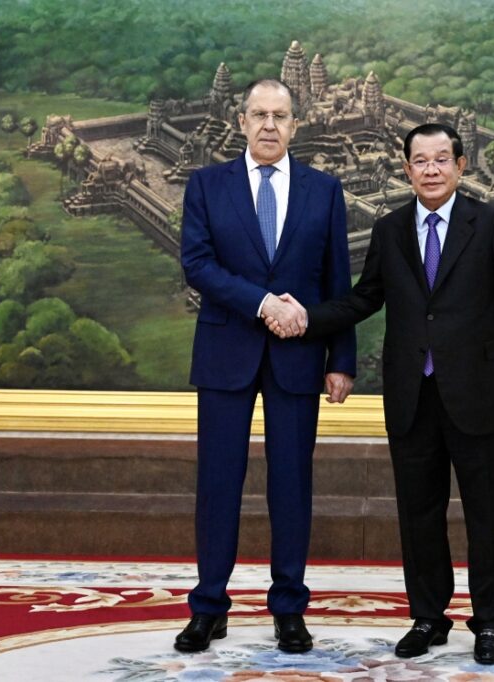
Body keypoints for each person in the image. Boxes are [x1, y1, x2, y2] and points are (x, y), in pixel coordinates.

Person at [266, 123, 494, 664]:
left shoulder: (488, 224)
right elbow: (364, 298)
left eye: (442, 159)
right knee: (419, 512)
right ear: (406, 168)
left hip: (480, 391)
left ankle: (489, 623)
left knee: (487, 512)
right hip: (412, 394)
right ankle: (428, 616)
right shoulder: (391, 229)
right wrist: (305, 319)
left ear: (462, 166)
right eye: (421, 161)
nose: (432, 170)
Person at [176, 78, 356, 655]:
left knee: (291, 486)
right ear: (241, 120)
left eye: (280, 115)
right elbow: (198, 265)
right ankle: (208, 608)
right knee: (219, 485)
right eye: (259, 114)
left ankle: (288, 609)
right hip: (227, 353)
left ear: (296, 124)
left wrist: (342, 360)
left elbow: (337, 281)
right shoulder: (206, 185)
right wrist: (262, 304)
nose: (270, 125)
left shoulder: (325, 190)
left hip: (299, 360)